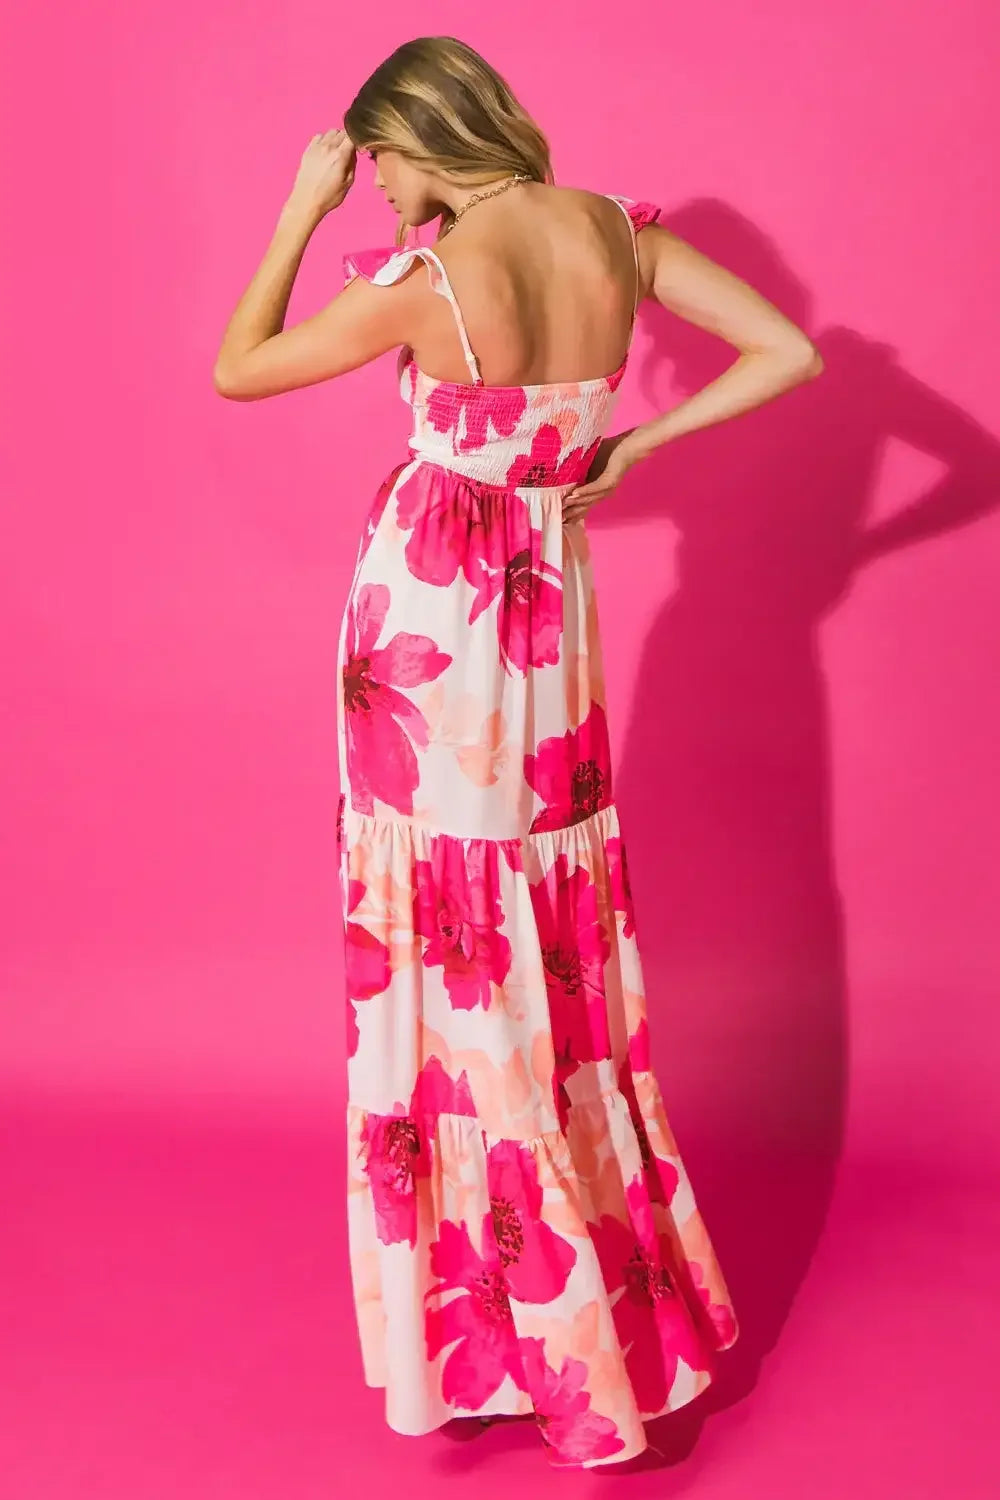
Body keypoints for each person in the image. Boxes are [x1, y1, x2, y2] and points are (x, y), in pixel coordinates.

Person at [214, 34, 822, 1471]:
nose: (378, 189)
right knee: (539, 931)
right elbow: (792, 352)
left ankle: (514, 1330)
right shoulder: (615, 232)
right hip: (550, 626)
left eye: (381, 162)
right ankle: (583, 1308)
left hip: (428, 632)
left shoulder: (423, 283)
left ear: (425, 138)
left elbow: (239, 368)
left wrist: (298, 210)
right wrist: (636, 449)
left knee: (447, 945)